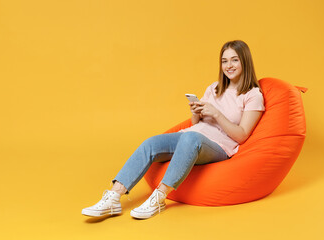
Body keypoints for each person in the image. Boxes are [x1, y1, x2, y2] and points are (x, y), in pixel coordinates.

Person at [82, 40, 265, 219]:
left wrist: (217, 114)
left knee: (191, 138)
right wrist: (196, 111)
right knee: (151, 143)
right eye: (224, 61)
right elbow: (196, 123)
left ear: (245, 61)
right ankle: (114, 197)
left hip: (219, 146)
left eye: (234, 60)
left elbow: (242, 135)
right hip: (193, 136)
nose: (228, 65)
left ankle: (159, 197)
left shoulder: (253, 95)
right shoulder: (215, 87)